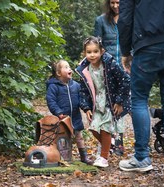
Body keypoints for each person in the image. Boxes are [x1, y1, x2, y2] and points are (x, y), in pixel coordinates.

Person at [117, 0, 164, 176]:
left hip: (148, 41)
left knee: (139, 99)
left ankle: (141, 157)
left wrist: (126, 51)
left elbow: (125, 17)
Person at [75, 36, 131, 167]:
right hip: (96, 103)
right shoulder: (84, 69)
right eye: (89, 52)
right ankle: (109, 145)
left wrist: (119, 101)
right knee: (94, 128)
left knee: (105, 129)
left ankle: (104, 157)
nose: (92, 55)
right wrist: (86, 108)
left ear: (101, 51)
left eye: (95, 51)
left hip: (110, 102)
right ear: (85, 53)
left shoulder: (110, 63)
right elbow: (83, 90)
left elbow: (126, 80)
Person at [94, 0, 128, 156]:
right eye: (112, 2)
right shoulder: (101, 20)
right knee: (108, 105)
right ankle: (109, 141)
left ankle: (119, 142)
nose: (115, 6)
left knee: (121, 105)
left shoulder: (128, 18)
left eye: (118, 2)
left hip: (125, 69)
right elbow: (96, 45)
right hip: (107, 70)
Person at [46, 59, 93, 165]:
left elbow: (81, 99)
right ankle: (64, 158)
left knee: (79, 137)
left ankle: (84, 156)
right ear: (58, 73)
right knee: (64, 138)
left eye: (69, 67)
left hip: (75, 117)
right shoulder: (53, 86)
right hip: (62, 118)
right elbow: (51, 101)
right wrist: (58, 112)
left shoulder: (76, 85)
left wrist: (86, 108)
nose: (69, 69)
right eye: (66, 67)